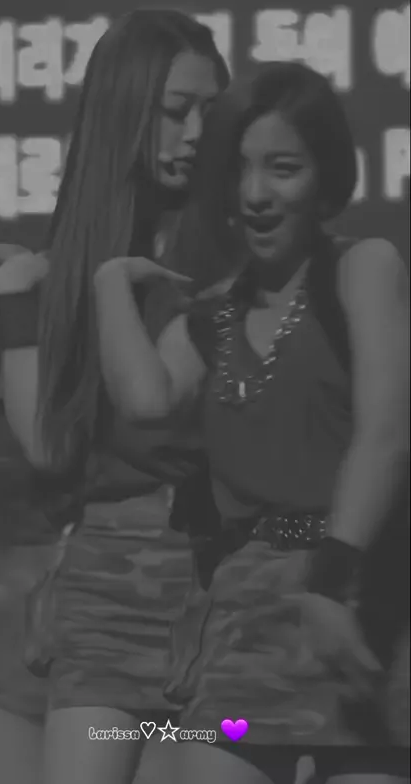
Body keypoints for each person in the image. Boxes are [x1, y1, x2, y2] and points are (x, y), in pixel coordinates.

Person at [93, 62, 410, 784]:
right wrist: (110, 284)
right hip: (248, 623)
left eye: (282, 168)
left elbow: (388, 434)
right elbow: (144, 402)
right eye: (238, 170)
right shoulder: (213, 312)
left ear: (325, 179)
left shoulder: (363, 268)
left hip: (362, 604)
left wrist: (330, 585)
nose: (256, 193)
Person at [0, 8, 229, 784]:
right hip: (107, 594)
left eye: (212, 111)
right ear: (125, 112)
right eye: (176, 111)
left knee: (230, 744)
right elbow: (48, 447)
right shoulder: (55, 273)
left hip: (228, 596)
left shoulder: (243, 256)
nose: (197, 133)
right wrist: (15, 303)